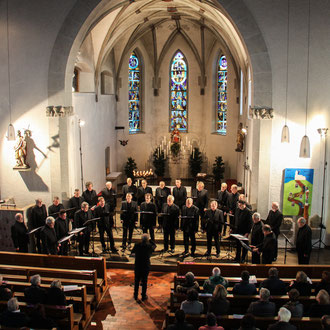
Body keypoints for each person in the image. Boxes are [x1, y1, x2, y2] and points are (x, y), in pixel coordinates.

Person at [131, 233, 156, 300]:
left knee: (136, 280)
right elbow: (154, 246)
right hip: (145, 265)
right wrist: (150, 240)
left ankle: (135, 294)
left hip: (138, 265)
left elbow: (132, 251)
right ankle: (143, 295)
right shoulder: (149, 246)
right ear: (147, 239)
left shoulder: (137, 245)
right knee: (144, 281)